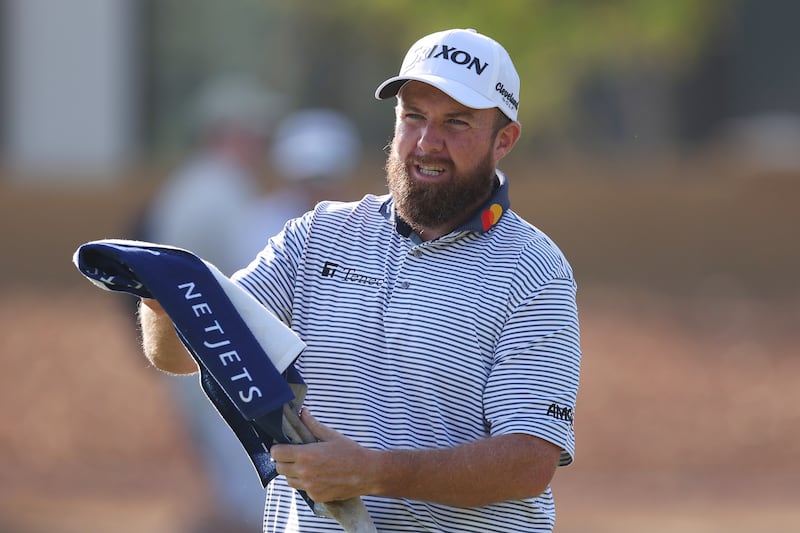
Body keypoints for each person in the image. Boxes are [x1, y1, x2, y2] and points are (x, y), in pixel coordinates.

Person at [139, 28, 582, 532]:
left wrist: (372, 473)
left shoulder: (534, 269)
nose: (427, 142)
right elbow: (177, 355)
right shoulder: (317, 234)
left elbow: (528, 462)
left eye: (456, 123)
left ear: (504, 140)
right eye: (413, 116)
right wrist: (160, 295)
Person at [137, 74, 282, 532]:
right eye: (253, 133)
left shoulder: (193, 186)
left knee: (239, 483)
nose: (261, 143)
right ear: (228, 133)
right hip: (221, 358)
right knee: (255, 492)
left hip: (196, 355)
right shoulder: (220, 192)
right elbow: (259, 281)